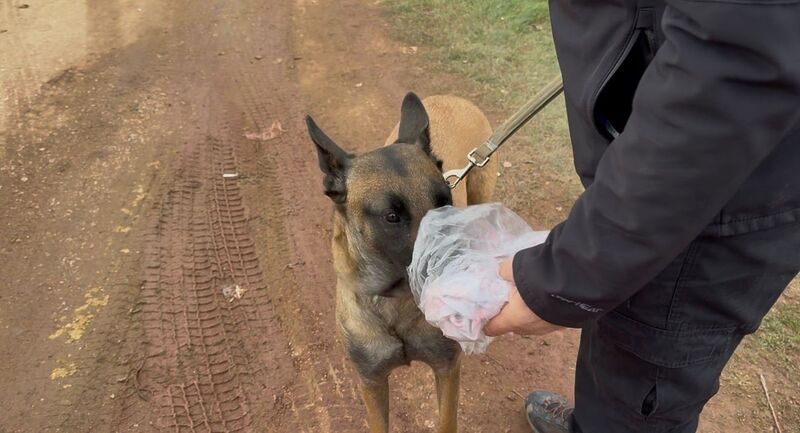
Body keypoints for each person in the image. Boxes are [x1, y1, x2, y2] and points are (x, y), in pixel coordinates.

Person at [482, 1, 800, 432]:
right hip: (665, 184)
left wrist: (568, 277)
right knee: (617, 346)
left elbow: (735, 57)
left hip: (707, 207)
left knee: (638, 393)